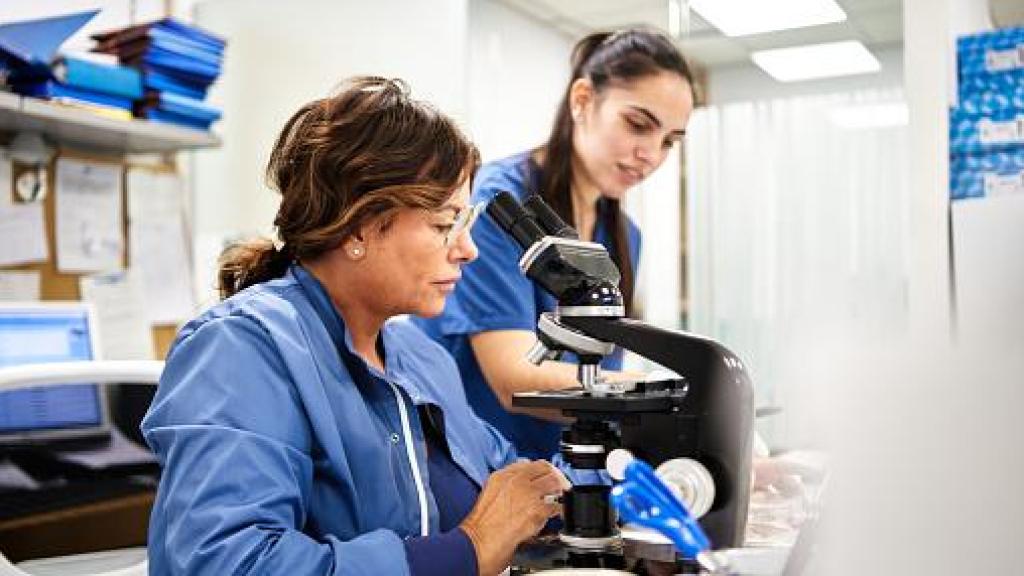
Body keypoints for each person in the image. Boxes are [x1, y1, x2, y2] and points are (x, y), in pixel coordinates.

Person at [142, 77, 570, 576]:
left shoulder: (417, 356)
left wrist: (596, 489)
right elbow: (228, 563)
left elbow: (506, 478)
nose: (467, 250)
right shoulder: (241, 349)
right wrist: (469, 550)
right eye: (443, 225)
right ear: (359, 226)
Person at [414, 28, 696, 459]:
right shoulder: (499, 204)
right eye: (638, 125)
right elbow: (515, 379)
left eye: (669, 141)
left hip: (566, 469)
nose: (651, 155)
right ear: (582, 100)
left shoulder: (624, 235)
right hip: (480, 470)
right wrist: (675, 393)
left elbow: (597, 375)